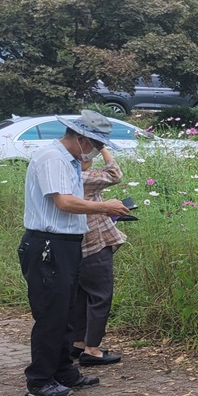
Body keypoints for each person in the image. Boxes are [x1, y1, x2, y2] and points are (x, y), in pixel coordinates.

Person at [18, 110, 130, 396]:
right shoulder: (53, 158)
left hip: (67, 243)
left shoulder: (69, 159)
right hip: (48, 244)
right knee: (51, 315)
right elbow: (64, 202)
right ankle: (40, 380)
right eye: (94, 144)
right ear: (81, 138)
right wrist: (105, 208)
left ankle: (64, 370)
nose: (94, 150)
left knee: (67, 311)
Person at [72, 142, 129, 367]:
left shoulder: (65, 179)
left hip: (75, 245)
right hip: (95, 243)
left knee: (79, 296)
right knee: (100, 296)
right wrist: (102, 147)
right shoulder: (85, 179)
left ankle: (77, 343)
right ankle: (92, 349)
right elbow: (115, 173)